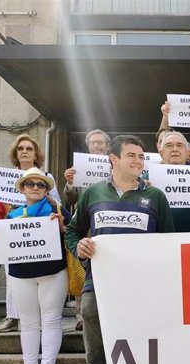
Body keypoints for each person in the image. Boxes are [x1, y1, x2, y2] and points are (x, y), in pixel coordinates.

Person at [58, 135, 174, 364]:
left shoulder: (155, 197)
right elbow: (72, 231)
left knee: (138, 360)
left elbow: (169, 244)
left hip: (140, 294)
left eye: (141, 157)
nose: (139, 161)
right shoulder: (93, 194)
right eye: (132, 156)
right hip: (98, 291)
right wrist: (79, 248)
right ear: (113, 159)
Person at [0, 168, 71, 364]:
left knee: (51, 319)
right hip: (20, 275)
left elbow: (75, 233)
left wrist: (62, 226)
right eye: (30, 184)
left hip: (53, 273)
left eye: (40, 185)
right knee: (29, 322)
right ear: (22, 189)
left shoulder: (58, 209)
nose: (35, 188)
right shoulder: (11, 215)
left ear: (46, 189)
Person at [0, 134, 61, 333]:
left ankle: (36, 317)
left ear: (36, 154)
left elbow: (55, 202)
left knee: (39, 277)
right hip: (13, 230)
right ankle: (12, 316)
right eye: (20, 148)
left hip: (40, 233)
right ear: (15, 153)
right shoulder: (3, 176)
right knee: (12, 274)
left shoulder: (46, 177)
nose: (24, 151)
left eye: (29, 148)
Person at [62, 129, 111, 331]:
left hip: (108, 225)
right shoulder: (79, 168)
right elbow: (70, 200)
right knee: (81, 272)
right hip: (86, 228)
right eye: (93, 143)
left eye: (100, 143)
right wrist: (70, 183)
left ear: (107, 147)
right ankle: (82, 316)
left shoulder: (114, 166)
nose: (97, 146)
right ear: (88, 146)